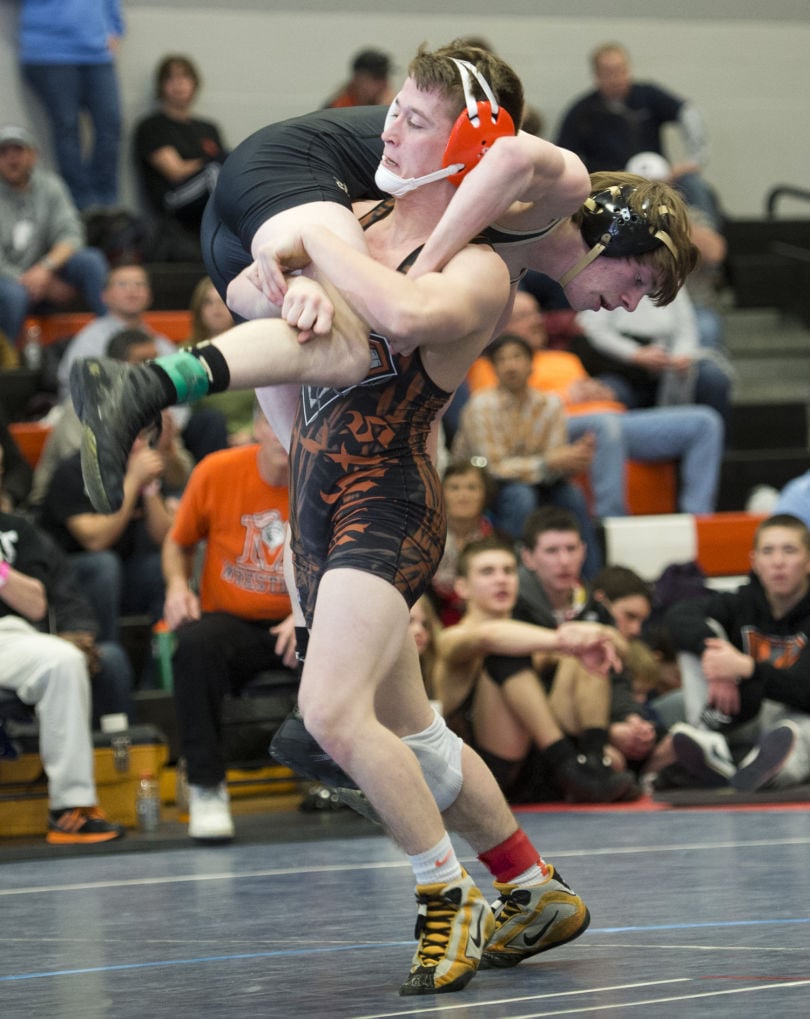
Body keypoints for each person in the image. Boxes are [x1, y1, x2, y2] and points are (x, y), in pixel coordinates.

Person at [77, 43, 604, 996]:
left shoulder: (482, 271)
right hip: (318, 503)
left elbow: (398, 313)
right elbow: (249, 288)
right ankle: (529, 883)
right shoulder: (357, 216)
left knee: (329, 714)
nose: (386, 129)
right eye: (392, 112)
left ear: (471, 145)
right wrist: (292, 278)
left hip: (385, 502)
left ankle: (448, 899)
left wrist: (318, 257)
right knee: (419, 734)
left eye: (408, 119)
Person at [162, 404, 296, 842]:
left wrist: (308, 614)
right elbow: (178, 542)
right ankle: (206, 786)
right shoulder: (217, 471)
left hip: (304, 620)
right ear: (257, 426)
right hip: (232, 623)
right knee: (195, 647)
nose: (282, 434)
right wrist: (178, 586)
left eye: (295, 424)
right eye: (274, 422)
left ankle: (361, 782)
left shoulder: (327, 478)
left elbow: (346, 563)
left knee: (360, 642)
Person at [469, 288, 724, 516]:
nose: (537, 321)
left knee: (704, 422)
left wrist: (600, 391)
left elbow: (590, 391)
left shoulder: (565, 358)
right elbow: (500, 410)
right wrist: (566, 396)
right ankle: (611, 520)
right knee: (603, 427)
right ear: (502, 325)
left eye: (537, 314)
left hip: (612, 422)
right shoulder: (489, 365)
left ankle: (698, 518)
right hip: (560, 429)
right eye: (525, 316)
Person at [437, 535, 637, 804]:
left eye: (508, 571)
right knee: (506, 656)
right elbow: (489, 637)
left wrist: (589, 637)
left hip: (539, 766)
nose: (501, 579)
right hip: (489, 773)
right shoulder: (452, 638)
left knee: (581, 656)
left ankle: (592, 761)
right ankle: (572, 767)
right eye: (488, 572)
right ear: (462, 587)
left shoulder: (531, 634)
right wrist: (566, 640)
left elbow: (623, 649)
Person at [0, 505, 124, 844]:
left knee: (65, 661)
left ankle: (71, 809)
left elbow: (38, 605)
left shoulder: (17, 530)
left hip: (10, 638)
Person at [664, 513, 810, 793]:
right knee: (697, 641)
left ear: (808, 561)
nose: (778, 561)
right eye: (768, 551)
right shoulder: (741, 602)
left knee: (796, 734)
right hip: (741, 715)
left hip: (799, 720)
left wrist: (747, 668)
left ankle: (756, 766)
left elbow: (806, 690)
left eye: (789, 550)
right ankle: (708, 740)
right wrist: (714, 658)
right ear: (755, 562)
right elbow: (678, 616)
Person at [452, 333, 603, 578]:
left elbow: (556, 459)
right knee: (520, 496)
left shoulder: (550, 405)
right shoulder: (481, 406)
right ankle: (518, 576)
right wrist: (548, 462)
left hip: (539, 479)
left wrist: (574, 460)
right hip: (485, 483)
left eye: (517, 357)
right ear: (494, 368)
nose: (510, 365)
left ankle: (592, 582)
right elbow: (492, 467)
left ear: (532, 364)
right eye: (501, 360)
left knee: (572, 494)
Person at [55, 262, 228, 462]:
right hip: (107, 425)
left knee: (209, 421)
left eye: (139, 285)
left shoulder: (161, 344)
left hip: (158, 427)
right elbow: (77, 393)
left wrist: (170, 425)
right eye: (123, 284)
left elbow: (183, 393)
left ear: (149, 296)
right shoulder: (88, 341)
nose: (132, 291)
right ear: (104, 295)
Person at [556, 41, 719, 227]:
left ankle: (708, 238)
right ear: (596, 76)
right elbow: (564, 157)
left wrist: (694, 160)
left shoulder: (647, 95)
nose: (616, 79)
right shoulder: (581, 111)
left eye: (621, 70)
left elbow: (688, 112)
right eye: (608, 73)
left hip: (658, 183)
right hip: (610, 189)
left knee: (694, 185)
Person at [0, 124, 107, 345]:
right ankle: (9, 367)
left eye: (18, 151)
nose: (11, 159)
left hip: (45, 270)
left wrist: (45, 268)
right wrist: (31, 281)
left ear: (33, 155)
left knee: (91, 260)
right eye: (3, 153)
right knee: (13, 295)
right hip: (8, 280)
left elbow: (72, 234)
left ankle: (112, 337)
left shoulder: (51, 186)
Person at [18, 0, 124, 211]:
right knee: (67, 126)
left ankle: (106, 202)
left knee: (111, 123)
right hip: (49, 51)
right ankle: (81, 203)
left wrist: (115, 27)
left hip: (97, 51)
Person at [575, 287, 732, 424]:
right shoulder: (606, 272)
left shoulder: (669, 272)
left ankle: (714, 454)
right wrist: (634, 354)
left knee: (713, 379)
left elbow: (686, 326)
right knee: (609, 395)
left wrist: (681, 354)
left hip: (668, 363)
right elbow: (594, 328)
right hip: (620, 367)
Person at [134, 54, 227, 261]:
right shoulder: (153, 126)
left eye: (185, 77)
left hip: (203, 197)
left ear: (194, 84)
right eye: (171, 78)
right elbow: (175, 171)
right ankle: (229, 233)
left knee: (232, 161)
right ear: (161, 86)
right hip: (174, 200)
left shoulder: (208, 128)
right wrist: (210, 161)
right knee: (216, 169)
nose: (179, 84)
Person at [185, 276, 254, 445]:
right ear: (198, 309)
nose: (216, 309)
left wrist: (252, 433)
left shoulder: (253, 348)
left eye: (222, 301)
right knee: (211, 420)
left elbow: (268, 404)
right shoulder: (185, 353)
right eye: (208, 302)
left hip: (250, 436)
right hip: (203, 436)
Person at [430, 461, 496, 626]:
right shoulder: (425, 539)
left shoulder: (499, 541)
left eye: (472, 488)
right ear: (441, 494)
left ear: (485, 494)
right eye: (454, 488)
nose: (463, 495)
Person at [323, 47, 395, 109]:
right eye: (376, 78)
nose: (384, 85)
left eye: (385, 78)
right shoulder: (338, 108)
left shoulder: (391, 104)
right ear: (358, 79)